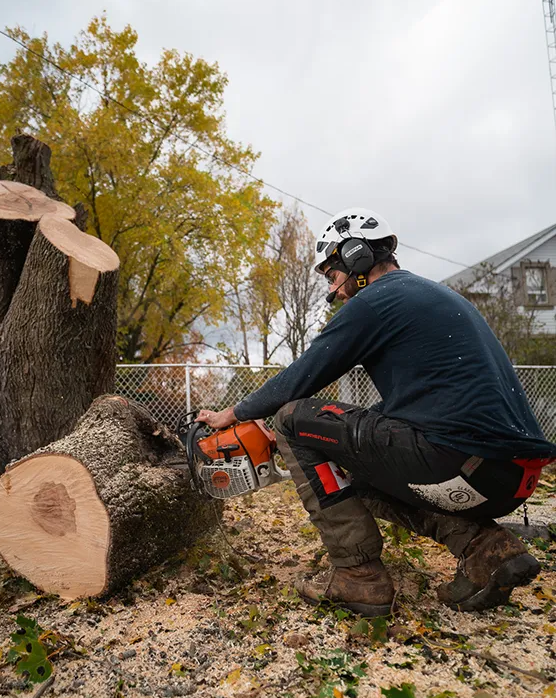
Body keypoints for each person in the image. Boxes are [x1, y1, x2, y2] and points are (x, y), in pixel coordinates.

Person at [197, 209, 556, 616]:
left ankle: (358, 575)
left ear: (354, 256)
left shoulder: (377, 301)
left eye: (333, 275)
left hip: (461, 460)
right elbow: (403, 413)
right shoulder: (435, 296)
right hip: (507, 477)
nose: (335, 291)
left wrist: (236, 412)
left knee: (292, 419)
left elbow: (302, 376)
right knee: (354, 471)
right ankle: (486, 549)